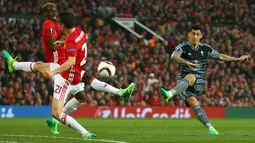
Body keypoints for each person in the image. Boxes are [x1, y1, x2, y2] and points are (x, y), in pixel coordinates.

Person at [1, 2, 135, 135]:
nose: (54, 13)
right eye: (50, 10)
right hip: (62, 66)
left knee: (81, 97)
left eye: (55, 10)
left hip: (67, 67)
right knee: (42, 67)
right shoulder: (76, 31)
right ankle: (14, 65)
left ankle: (55, 120)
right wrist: (64, 41)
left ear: (63, 24)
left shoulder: (69, 36)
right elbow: (60, 44)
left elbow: (70, 57)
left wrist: (63, 42)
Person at [160, 24, 249, 135]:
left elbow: (220, 56)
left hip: (199, 80)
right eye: (193, 34)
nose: (195, 37)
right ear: (189, 35)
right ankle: (211, 129)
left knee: (191, 76)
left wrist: (238, 59)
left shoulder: (205, 48)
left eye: (198, 34)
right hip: (182, 83)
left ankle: (169, 94)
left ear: (201, 36)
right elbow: (174, 56)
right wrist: (187, 62)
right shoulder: (183, 47)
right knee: (193, 102)